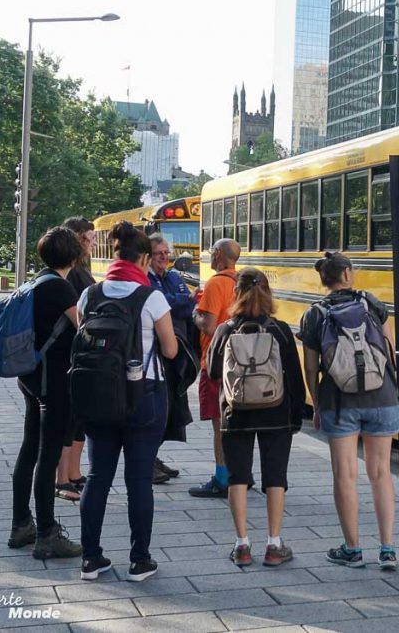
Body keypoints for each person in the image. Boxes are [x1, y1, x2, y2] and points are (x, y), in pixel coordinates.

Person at [77, 221, 178, 583]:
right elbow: (170, 349)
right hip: (143, 397)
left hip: (98, 396)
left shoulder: (90, 294)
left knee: (97, 476)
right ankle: (139, 560)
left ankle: (91, 558)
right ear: (145, 258)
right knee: (138, 481)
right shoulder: (151, 297)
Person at [299, 252, 399, 570]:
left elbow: (311, 365)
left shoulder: (314, 314)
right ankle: (387, 549)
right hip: (382, 396)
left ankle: (353, 549)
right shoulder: (371, 303)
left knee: (345, 475)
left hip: (339, 401)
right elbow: (388, 348)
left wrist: (316, 403)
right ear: (347, 274)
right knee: (381, 473)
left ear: (324, 278)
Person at [207, 268, 305, 567]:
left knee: (238, 477)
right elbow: (294, 378)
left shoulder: (226, 329)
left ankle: (241, 545)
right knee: (275, 477)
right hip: (276, 413)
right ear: (268, 293)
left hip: (235, 413)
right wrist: (296, 415)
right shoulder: (279, 330)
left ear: (235, 294)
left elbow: (212, 372)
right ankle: (274, 545)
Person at [7, 228, 84, 560]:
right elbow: (83, 328)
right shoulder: (60, 287)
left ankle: (21, 524)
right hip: (52, 381)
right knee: (49, 453)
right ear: (73, 256)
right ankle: (47, 534)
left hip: (29, 376)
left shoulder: (34, 282)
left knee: (30, 450)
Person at [188, 238, 241, 498]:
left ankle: (222, 478)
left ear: (218, 254)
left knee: (220, 426)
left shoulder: (216, 283)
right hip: (242, 362)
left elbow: (208, 324)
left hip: (217, 362)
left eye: (211, 252)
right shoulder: (245, 282)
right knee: (239, 425)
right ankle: (241, 474)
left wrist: (194, 311)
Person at [147, 232, 195, 484]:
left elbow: (187, 304)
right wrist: (181, 301)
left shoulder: (174, 276)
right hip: (156, 353)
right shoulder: (146, 279)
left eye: (166, 254)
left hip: (177, 352)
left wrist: (180, 301)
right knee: (158, 408)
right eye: (158, 254)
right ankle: (148, 461)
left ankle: (152, 458)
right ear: (148, 257)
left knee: (170, 409)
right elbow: (164, 303)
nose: (163, 258)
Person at [54, 217, 97, 501]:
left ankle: (73, 472)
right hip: (68, 355)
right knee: (68, 419)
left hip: (79, 355)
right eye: (88, 239)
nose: (92, 244)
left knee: (79, 418)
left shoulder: (79, 271)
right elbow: (80, 317)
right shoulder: (71, 276)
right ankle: (61, 478)